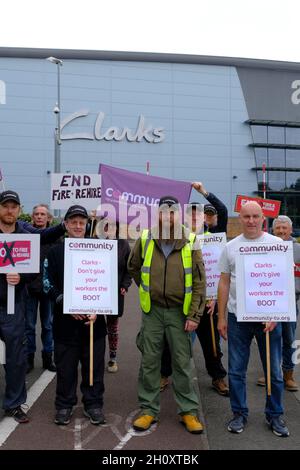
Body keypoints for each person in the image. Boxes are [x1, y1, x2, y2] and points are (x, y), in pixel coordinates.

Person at [127, 196, 206, 434]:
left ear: (178, 215)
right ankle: (149, 409)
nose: (168, 217)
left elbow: (201, 282)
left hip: (180, 313)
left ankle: (188, 412)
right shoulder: (145, 238)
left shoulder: (191, 240)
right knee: (150, 361)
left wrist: (195, 315)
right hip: (153, 312)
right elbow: (133, 266)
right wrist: (146, 288)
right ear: (158, 215)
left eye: (172, 212)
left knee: (182, 363)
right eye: (164, 212)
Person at [217, 201, 289, 437]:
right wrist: (221, 317)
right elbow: (224, 282)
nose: (250, 221)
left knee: (274, 372)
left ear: (263, 219)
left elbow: (283, 281)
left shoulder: (277, 245)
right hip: (238, 318)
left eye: (255, 216)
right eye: (246, 216)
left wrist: (277, 314)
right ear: (240, 218)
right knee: (236, 370)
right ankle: (239, 413)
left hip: (269, 319)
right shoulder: (230, 247)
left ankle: (275, 415)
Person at [43, 205, 107, 426]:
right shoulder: (54, 252)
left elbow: (107, 282)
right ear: (67, 225)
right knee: (66, 368)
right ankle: (64, 405)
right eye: (74, 222)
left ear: (86, 225)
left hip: (94, 323)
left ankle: (93, 404)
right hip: (65, 324)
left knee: (94, 368)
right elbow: (46, 282)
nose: (78, 226)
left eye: (82, 222)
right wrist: (66, 303)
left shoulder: (100, 250)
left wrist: (100, 307)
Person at [160, 202, 229, 396]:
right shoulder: (178, 239)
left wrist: (214, 297)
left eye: (197, 216)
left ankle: (218, 377)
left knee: (212, 343)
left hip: (208, 302)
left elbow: (221, 272)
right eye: (190, 216)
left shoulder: (214, 240)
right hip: (181, 302)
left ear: (204, 219)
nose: (194, 219)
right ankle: (164, 374)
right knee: (171, 342)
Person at [0, 190, 35, 423]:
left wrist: (20, 277)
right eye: (5, 206)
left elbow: (33, 272)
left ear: (19, 210)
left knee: (15, 356)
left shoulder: (26, 235)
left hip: (13, 306)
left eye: (14, 206)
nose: (9, 210)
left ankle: (14, 404)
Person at [257, 215, 300, 391]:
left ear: (291, 229)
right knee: (270, 339)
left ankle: (288, 374)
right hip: (270, 302)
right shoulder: (265, 247)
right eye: (278, 228)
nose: (281, 231)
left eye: (284, 228)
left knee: (289, 339)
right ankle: (271, 372)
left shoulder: (298, 249)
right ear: (272, 230)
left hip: (290, 303)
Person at [94, 219, 132, 373]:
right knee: (94, 326)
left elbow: (129, 268)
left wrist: (125, 285)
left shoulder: (123, 244)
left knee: (113, 327)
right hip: (94, 290)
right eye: (106, 226)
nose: (109, 229)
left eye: (113, 226)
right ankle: (95, 358)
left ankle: (112, 358)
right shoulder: (93, 242)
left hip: (115, 292)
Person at [25, 204, 56, 373]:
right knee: (29, 325)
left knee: (48, 325)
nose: (39, 217)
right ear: (32, 217)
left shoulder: (56, 237)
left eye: (42, 214)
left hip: (48, 290)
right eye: (36, 214)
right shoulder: (26, 235)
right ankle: (29, 358)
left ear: (48, 218)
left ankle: (48, 358)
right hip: (29, 289)